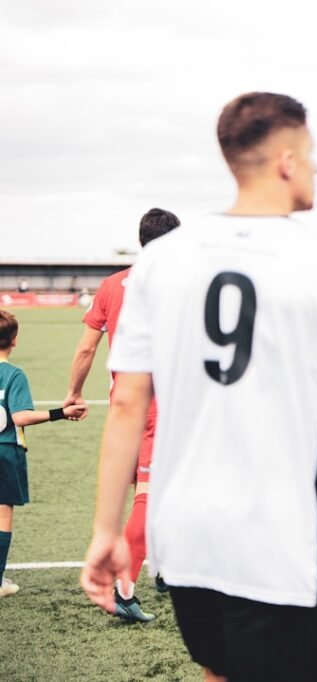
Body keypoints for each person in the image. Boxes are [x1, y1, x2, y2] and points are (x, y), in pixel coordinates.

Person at [80, 92, 317, 682]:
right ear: (287, 159)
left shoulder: (160, 263)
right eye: (313, 153)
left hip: (184, 527)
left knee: (218, 670)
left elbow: (124, 402)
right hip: (277, 528)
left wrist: (105, 528)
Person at [64, 207, 181, 622]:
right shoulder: (183, 285)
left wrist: (73, 393)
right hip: (163, 405)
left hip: (123, 404)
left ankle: (166, 568)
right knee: (153, 495)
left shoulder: (114, 285)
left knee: (153, 492)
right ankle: (124, 590)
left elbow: (85, 348)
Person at [1, 310, 87, 597]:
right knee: (2, 515)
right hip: (5, 451)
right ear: (14, 340)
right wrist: (60, 413)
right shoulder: (14, 375)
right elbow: (20, 417)